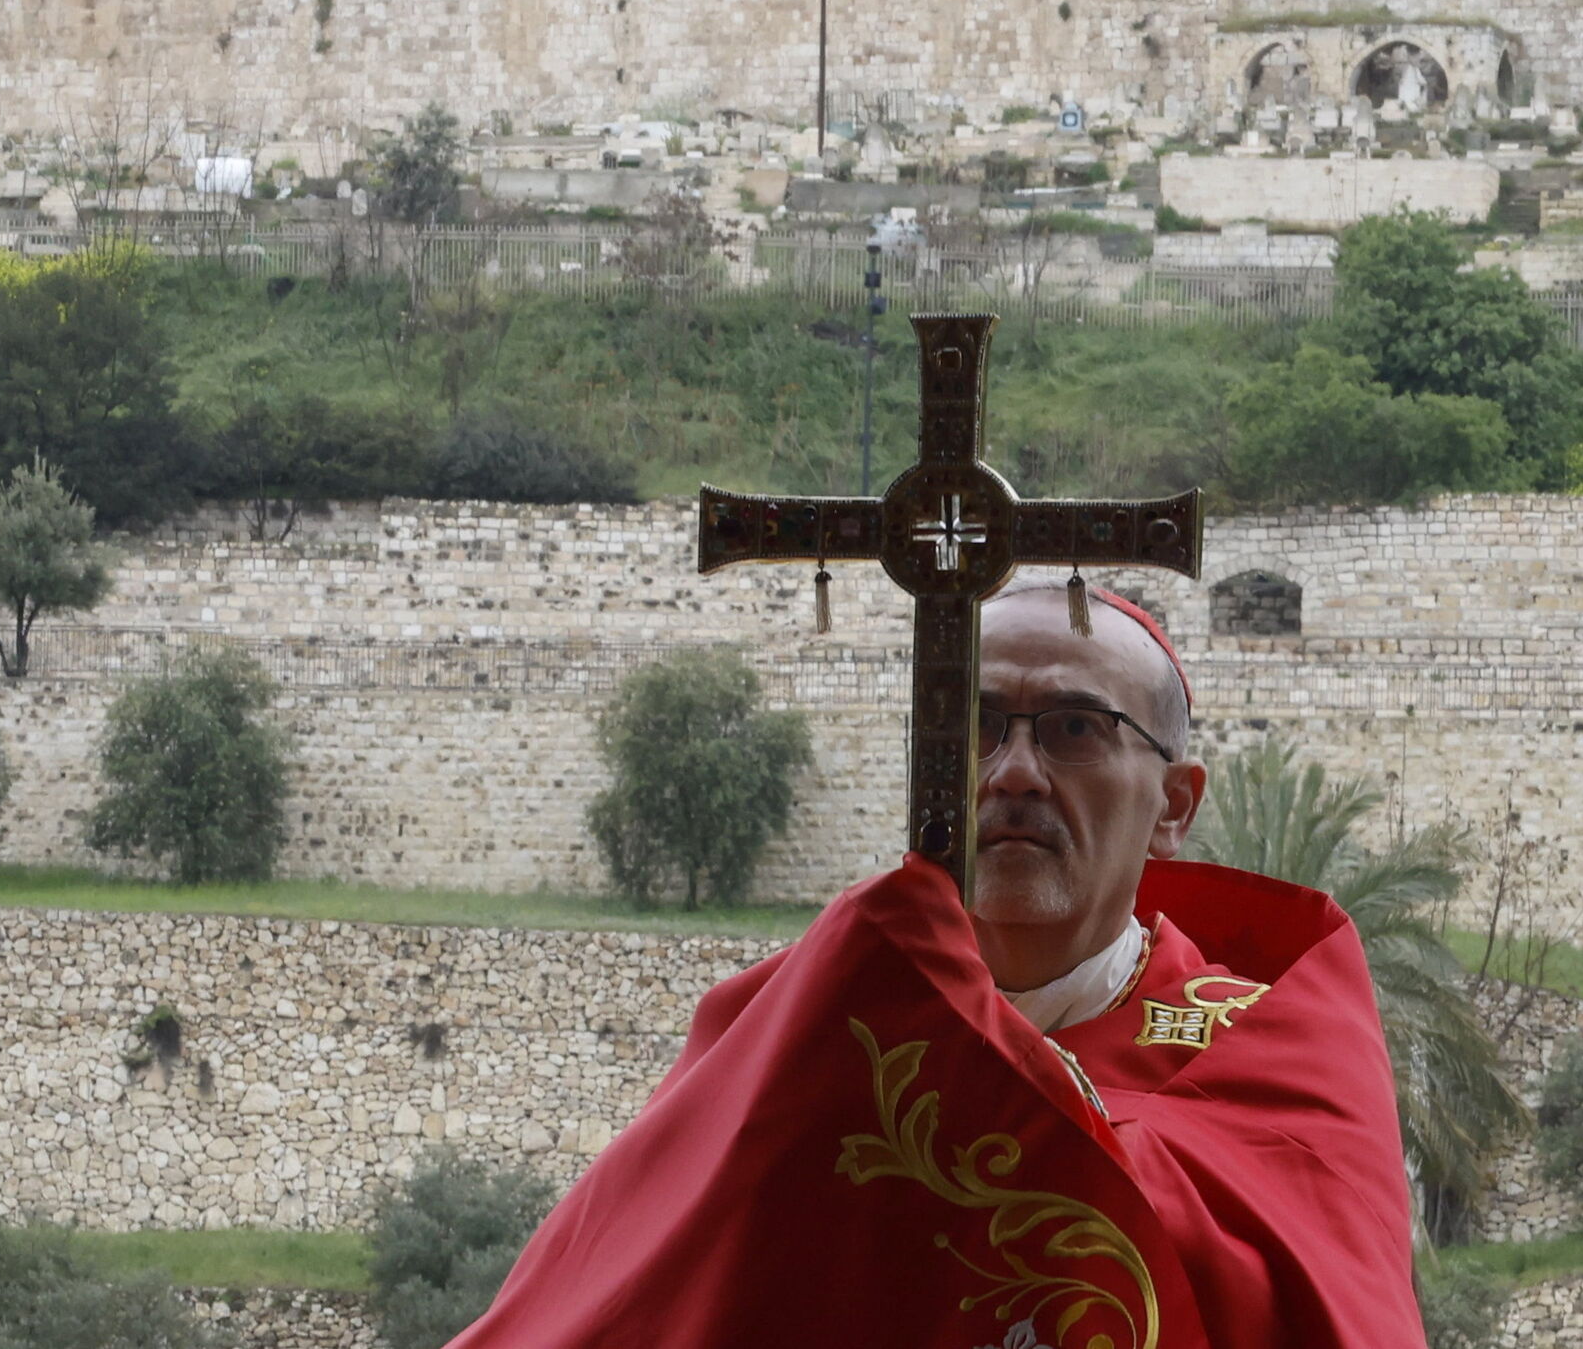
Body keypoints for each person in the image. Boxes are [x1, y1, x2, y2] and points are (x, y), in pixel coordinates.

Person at [453, 578, 1422, 1349]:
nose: (1012, 771)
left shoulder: (1278, 1053)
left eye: (1073, 728)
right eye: (976, 724)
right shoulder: (797, 1028)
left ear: (1174, 803)